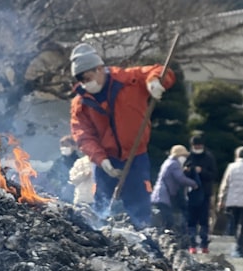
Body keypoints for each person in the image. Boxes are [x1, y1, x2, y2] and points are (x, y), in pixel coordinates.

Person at [69, 42, 175, 229]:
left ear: (100, 68)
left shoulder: (129, 80)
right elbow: (83, 135)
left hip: (136, 157)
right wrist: (100, 159)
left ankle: (144, 240)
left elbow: (159, 71)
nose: (86, 84)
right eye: (82, 81)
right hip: (104, 164)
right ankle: (103, 242)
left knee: (140, 205)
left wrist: (154, 82)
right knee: (101, 206)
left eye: (88, 77)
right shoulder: (81, 103)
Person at [151, 145, 199, 250]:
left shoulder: (169, 162)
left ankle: (161, 243)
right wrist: (194, 184)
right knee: (168, 221)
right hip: (163, 197)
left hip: (160, 196)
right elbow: (180, 178)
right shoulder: (174, 164)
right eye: (183, 156)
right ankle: (164, 244)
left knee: (164, 220)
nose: (185, 158)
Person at [183, 133, 217, 253]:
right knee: (191, 220)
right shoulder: (189, 157)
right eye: (195, 146)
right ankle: (192, 244)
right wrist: (188, 171)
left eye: (199, 146)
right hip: (191, 193)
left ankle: (204, 244)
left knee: (204, 219)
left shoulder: (209, 157)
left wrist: (202, 171)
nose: (197, 148)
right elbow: (183, 174)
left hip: (205, 193)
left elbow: (213, 175)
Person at [48, 134, 80, 202]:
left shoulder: (78, 162)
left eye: (67, 146)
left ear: (74, 146)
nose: (64, 148)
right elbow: (50, 175)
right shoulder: (58, 161)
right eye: (62, 146)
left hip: (74, 195)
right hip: (58, 194)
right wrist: (56, 183)